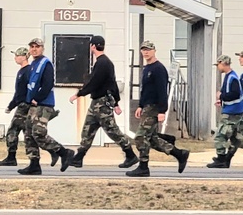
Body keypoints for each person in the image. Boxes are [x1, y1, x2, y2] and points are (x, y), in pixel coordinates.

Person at [68, 35, 137, 169]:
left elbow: (94, 83)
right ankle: (78, 158)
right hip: (96, 103)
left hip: (102, 103)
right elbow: (112, 83)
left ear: (93, 46)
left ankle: (130, 155)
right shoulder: (105, 63)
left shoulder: (102, 63)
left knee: (112, 131)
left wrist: (79, 94)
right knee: (88, 129)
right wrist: (116, 103)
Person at [125, 41, 190, 177]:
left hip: (154, 108)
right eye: (143, 49)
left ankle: (143, 167)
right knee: (152, 139)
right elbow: (145, 90)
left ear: (154, 50)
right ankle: (179, 154)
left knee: (140, 137)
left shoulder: (158, 69)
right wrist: (140, 106)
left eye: (148, 49)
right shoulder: (147, 68)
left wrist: (162, 111)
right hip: (147, 107)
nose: (145, 52)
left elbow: (162, 91)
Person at [17, 38, 75, 175]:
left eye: (37, 46)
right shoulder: (33, 64)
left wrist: (37, 98)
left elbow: (48, 84)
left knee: (38, 134)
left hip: (43, 105)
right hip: (33, 105)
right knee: (28, 134)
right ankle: (34, 164)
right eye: (32, 47)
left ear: (42, 48)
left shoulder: (45, 64)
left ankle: (64, 152)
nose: (34, 49)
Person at [208, 54, 243, 168]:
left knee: (220, 135)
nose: (217, 67)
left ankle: (221, 159)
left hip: (232, 113)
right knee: (235, 137)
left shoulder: (232, 77)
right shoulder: (229, 76)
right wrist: (221, 101)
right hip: (232, 110)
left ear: (223, 63)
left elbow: (235, 94)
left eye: (218, 64)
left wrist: (221, 96)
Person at [0, 47, 32, 166]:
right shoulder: (21, 71)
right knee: (26, 132)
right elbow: (17, 92)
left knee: (13, 130)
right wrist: (11, 105)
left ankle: (12, 157)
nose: (15, 58)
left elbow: (28, 90)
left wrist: (27, 102)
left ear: (24, 57)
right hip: (20, 104)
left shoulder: (28, 71)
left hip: (24, 105)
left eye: (17, 56)